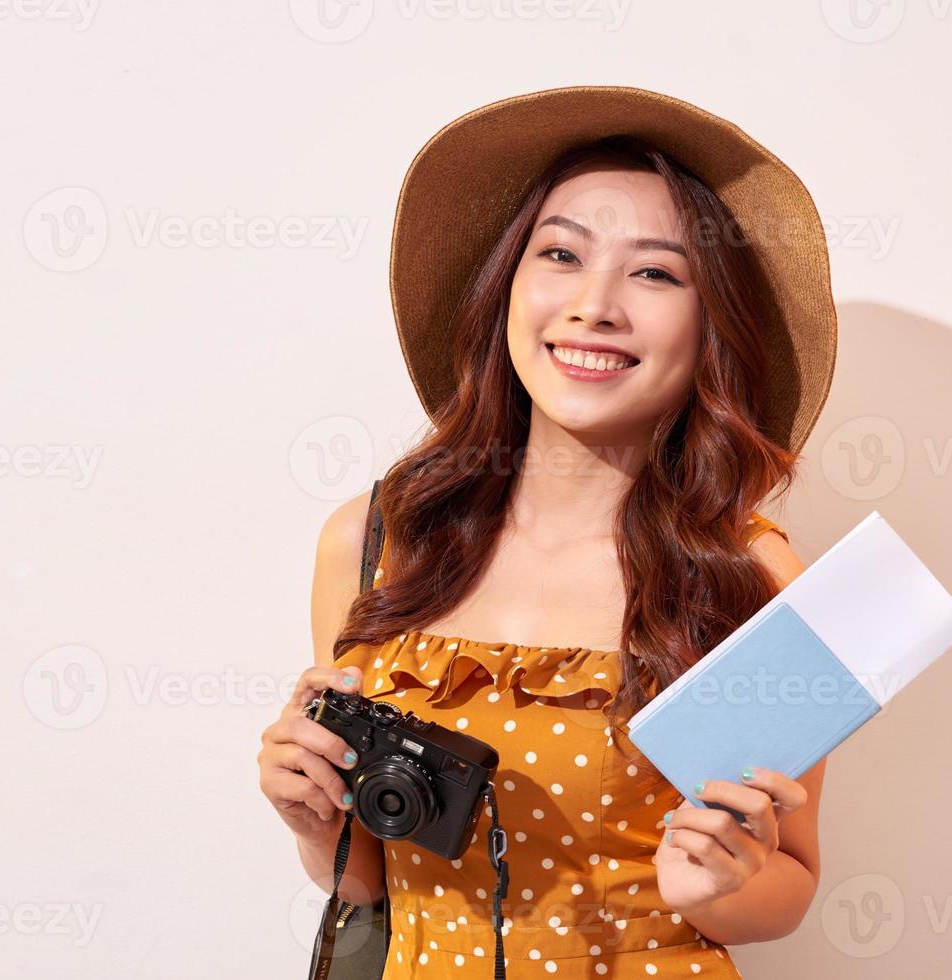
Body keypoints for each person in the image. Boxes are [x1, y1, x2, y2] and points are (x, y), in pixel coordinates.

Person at [259, 85, 839, 978]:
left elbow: (791, 884)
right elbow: (367, 884)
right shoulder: (375, 543)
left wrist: (722, 884)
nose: (594, 306)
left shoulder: (751, 572)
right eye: (560, 254)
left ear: (711, 322)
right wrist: (315, 818)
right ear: (505, 289)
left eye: (654, 272)